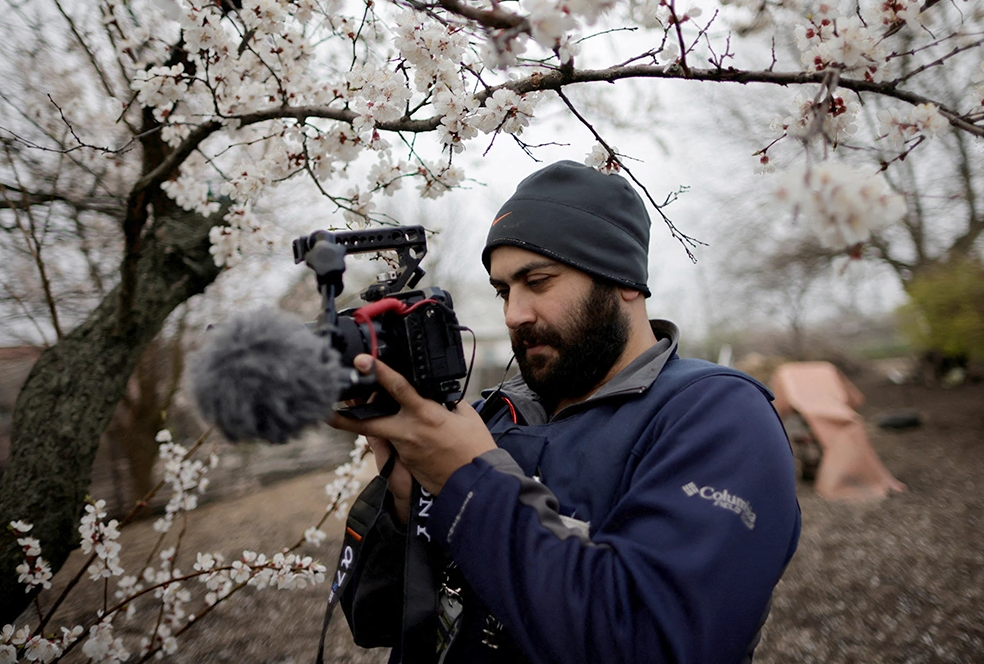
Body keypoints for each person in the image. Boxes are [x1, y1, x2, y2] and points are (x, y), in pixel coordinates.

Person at [330, 160, 801, 664]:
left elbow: (654, 642)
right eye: (503, 291)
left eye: (537, 281)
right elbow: (375, 621)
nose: (513, 314)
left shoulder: (716, 417)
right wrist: (405, 506)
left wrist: (468, 481)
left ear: (623, 278)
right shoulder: (488, 417)